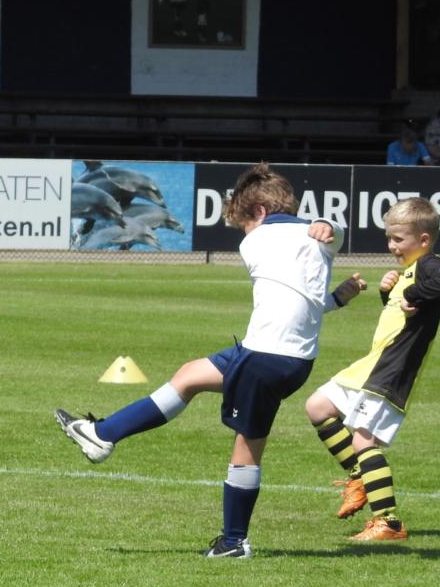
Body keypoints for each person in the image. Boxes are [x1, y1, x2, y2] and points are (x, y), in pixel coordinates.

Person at [55, 163, 365, 558]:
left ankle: (234, 541)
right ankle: (102, 435)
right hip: (278, 353)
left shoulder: (257, 242)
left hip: (267, 357)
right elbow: (312, 279)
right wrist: (330, 238)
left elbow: (314, 236)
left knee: (247, 446)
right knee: (189, 376)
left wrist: (325, 226)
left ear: (259, 214)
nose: (242, 233)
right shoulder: (314, 241)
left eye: (242, 223)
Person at [305, 197, 440, 542]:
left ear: (423, 240)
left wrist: (411, 290)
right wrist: (389, 293)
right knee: (317, 406)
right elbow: (405, 312)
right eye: (389, 238)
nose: (391, 246)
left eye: (398, 239)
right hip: (373, 363)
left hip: (392, 369)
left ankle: (388, 523)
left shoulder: (428, 266)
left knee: (363, 438)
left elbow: (431, 289)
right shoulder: (412, 269)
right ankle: (358, 476)